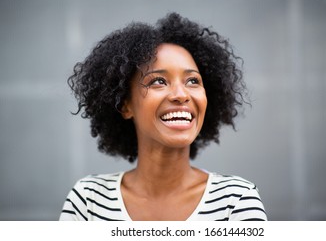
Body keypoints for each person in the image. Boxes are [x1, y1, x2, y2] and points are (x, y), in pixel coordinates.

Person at [59, 12, 267, 221]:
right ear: (125, 105)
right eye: (158, 81)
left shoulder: (236, 201)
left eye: (193, 81)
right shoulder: (88, 201)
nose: (181, 95)